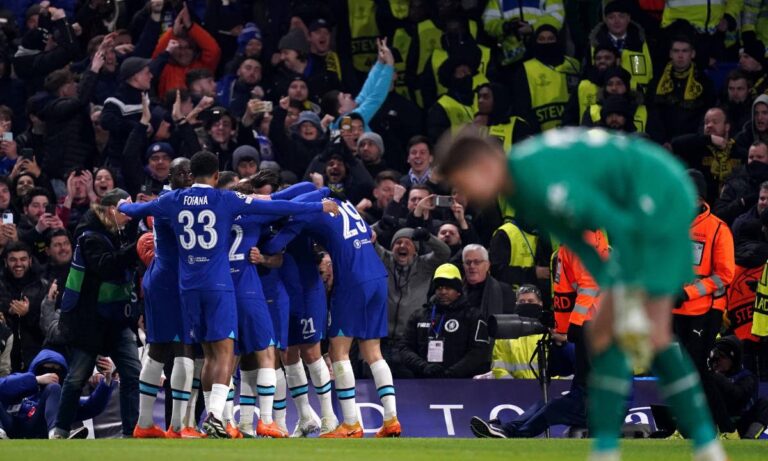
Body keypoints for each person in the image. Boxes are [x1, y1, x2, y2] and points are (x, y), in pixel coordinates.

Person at [438, 128, 728, 461]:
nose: (464, 194)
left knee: (655, 335)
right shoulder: (521, 190)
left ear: (481, 166)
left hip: (658, 193)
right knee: (605, 334)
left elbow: (606, 222)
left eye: (463, 183)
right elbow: (578, 241)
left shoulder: (537, 179)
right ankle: (609, 449)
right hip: (638, 200)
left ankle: (705, 445)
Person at [117, 151, 336, 438]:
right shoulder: (225, 200)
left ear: (192, 174)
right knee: (225, 353)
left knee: (204, 355)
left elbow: (136, 210)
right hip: (218, 286)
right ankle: (216, 416)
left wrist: (122, 204)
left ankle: (196, 420)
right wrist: (319, 204)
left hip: (187, 288)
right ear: (216, 175)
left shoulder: (172, 199)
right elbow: (276, 205)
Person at [263, 193, 401, 438]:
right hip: (378, 276)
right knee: (373, 351)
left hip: (352, 281)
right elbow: (368, 234)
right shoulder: (345, 203)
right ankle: (391, 419)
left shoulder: (305, 212)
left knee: (338, 351)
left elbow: (274, 246)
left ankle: (350, 424)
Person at [53, 188, 141, 439]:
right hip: (89, 321)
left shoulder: (120, 230)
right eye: (126, 208)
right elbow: (106, 266)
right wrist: (136, 248)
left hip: (116, 319)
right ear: (112, 210)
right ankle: (60, 430)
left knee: (132, 373)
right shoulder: (89, 235)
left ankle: (130, 433)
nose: (130, 214)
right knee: (76, 378)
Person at [131, 158, 197, 439]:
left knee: (157, 349)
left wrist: (124, 206)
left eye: (189, 172)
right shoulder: (177, 201)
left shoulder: (165, 201)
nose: (186, 177)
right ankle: (177, 427)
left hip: (159, 278)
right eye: (180, 172)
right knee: (183, 347)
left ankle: (145, 423)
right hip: (175, 281)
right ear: (170, 176)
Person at [673, 170, 735, 373]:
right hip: (675, 308)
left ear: (699, 198)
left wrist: (688, 292)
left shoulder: (718, 229)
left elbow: (725, 275)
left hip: (705, 311)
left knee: (698, 370)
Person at [398, 263, 491, 378]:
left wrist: (452, 373)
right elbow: (404, 348)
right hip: (424, 380)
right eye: (439, 287)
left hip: (461, 382)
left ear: (458, 291)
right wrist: (423, 367)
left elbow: (480, 351)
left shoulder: (472, 316)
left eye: (448, 288)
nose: (443, 292)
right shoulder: (419, 316)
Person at [0, 349, 115, 439]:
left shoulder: (57, 397)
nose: (51, 373)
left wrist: (107, 380)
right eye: (46, 368)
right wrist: (36, 379)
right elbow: (3, 386)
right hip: (9, 425)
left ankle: (56, 434)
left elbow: (91, 407)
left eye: (56, 369)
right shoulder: (22, 382)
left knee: (54, 387)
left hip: (40, 428)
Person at [376, 227, 451, 341]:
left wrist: (428, 238)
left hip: (410, 338)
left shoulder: (424, 265)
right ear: (392, 248)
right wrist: (379, 226)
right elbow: (365, 239)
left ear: (415, 250)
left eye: (408, 243)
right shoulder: (384, 259)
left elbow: (445, 253)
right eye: (398, 242)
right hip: (380, 337)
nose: (402, 245)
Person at [648, 36, 716, 145]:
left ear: (692, 54)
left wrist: (690, 142)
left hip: (691, 144)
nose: (680, 55)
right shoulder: (657, 81)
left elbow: (706, 117)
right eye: (676, 51)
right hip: (661, 144)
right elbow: (653, 114)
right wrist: (662, 142)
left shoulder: (704, 83)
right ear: (670, 54)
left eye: (684, 51)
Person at [700, 336, 768, 439]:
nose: (717, 361)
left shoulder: (747, 377)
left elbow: (738, 397)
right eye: (715, 358)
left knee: (764, 404)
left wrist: (718, 378)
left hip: (741, 421)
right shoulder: (709, 376)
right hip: (717, 421)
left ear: (734, 359)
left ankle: (749, 439)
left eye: (722, 357)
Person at [671, 107, 744, 201]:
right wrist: (709, 139)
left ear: (727, 127)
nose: (709, 125)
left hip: (730, 203)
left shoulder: (737, 151)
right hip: (702, 204)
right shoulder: (697, 148)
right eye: (706, 122)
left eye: (715, 122)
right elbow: (675, 144)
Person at [0, 242, 48, 373]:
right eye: (13, 260)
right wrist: (8, 311)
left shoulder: (42, 287)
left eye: (23, 259)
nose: (18, 264)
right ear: (5, 262)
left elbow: (48, 327)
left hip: (35, 357)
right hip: (4, 357)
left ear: (30, 261)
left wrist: (27, 313)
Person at [714, 141, 768, 226]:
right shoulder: (734, 182)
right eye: (751, 157)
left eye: (759, 157)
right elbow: (718, 214)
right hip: (739, 230)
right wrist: (741, 202)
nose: (754, 161)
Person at [463, 244, 516, 321]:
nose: (472, 266)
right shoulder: (457, 291)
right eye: (468, 262)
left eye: (477, 262)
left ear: (487, 265)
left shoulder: (504, 291)